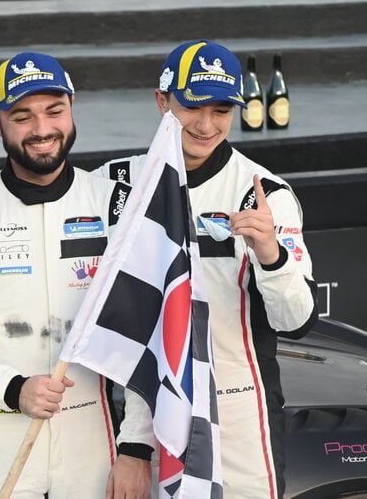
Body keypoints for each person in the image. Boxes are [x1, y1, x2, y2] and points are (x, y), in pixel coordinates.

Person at [0, 52, 154, 499]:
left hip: (95, 431)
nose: (42, 129)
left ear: (72, 106)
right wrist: (13, 390)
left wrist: (137, 447)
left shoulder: (115, 205)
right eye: (22, 116)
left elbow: (149, 335)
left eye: (54, 111)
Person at [95, 40, 318, 499]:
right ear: (162, 101)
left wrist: (271, 256)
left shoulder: (264, 193)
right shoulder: (114, 184)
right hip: (150, 418)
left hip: (241, 417)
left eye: (221, 110)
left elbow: (296, 322)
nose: (206, 124)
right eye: (192, 105)